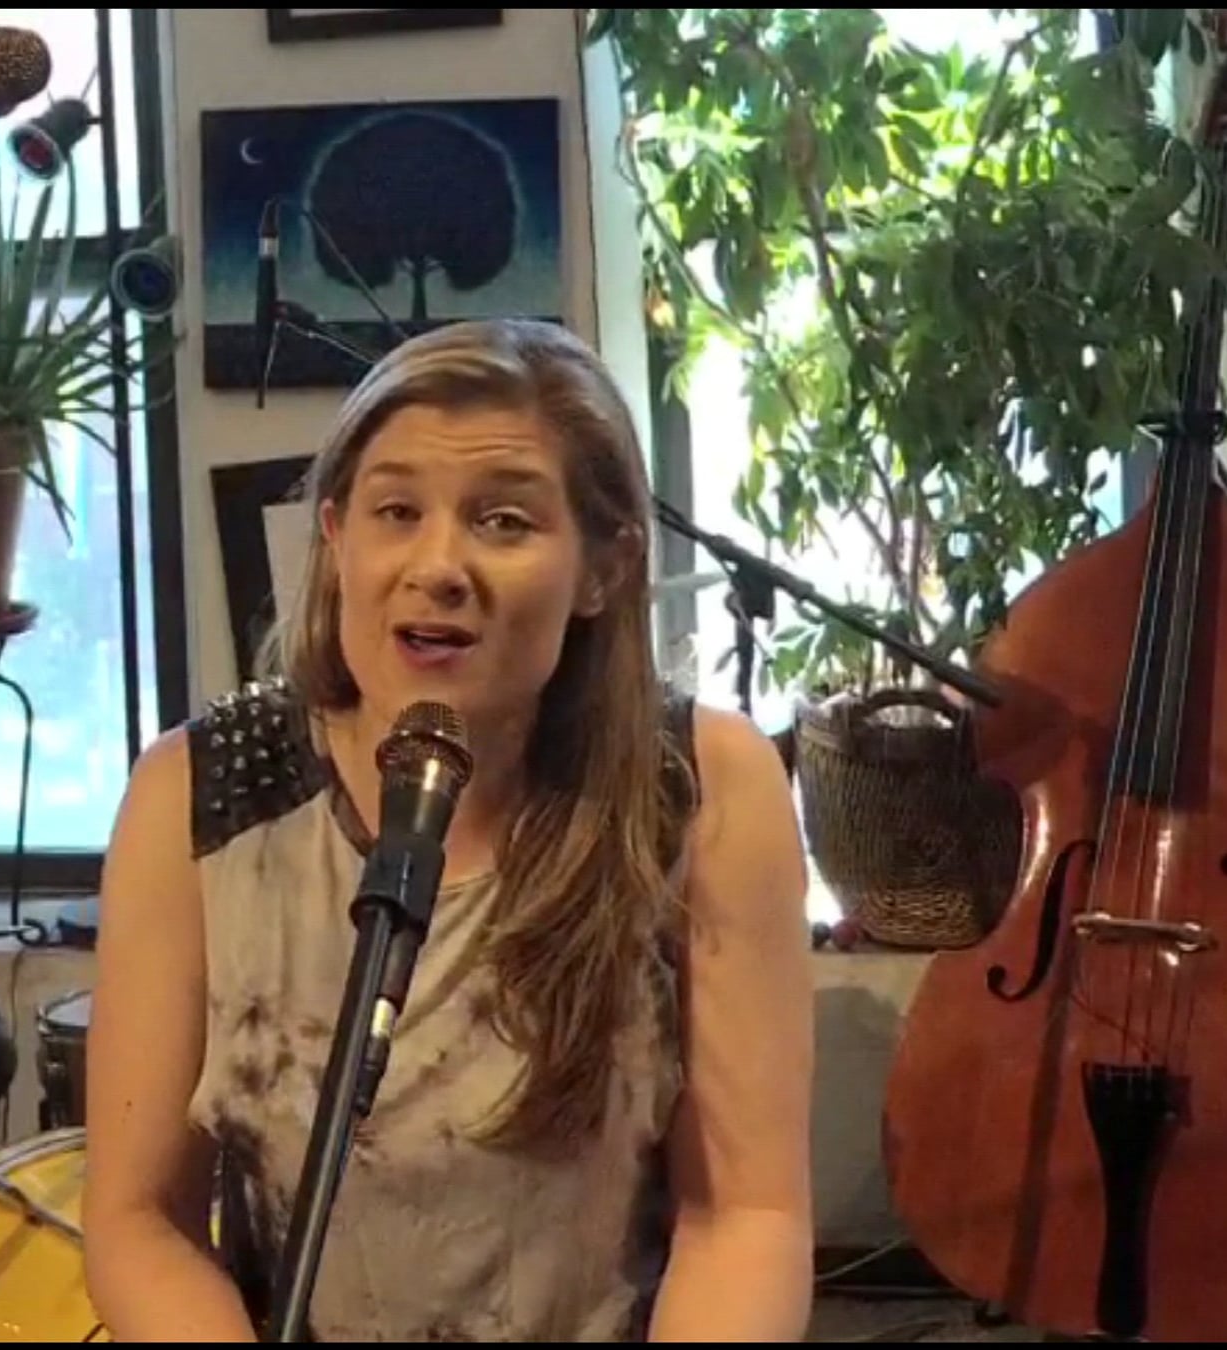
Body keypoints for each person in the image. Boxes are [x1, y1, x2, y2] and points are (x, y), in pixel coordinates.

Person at [79, 317, 815, 1342]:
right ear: (334, 537)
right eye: (395, 511)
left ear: (604, 567)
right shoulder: (201, 794)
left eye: (503, 522)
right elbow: (140, 1219)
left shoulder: (700, 788)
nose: (439, 566)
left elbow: (744, 1216)